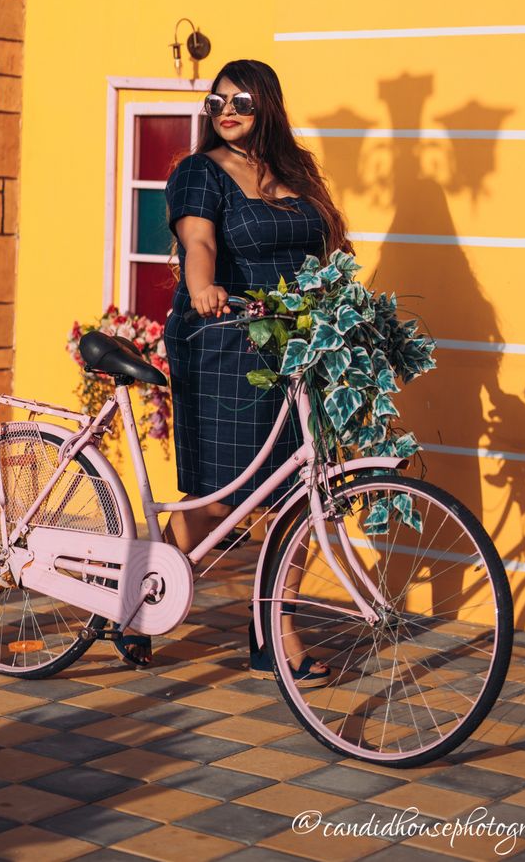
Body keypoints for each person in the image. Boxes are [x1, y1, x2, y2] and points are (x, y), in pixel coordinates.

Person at [114, 59, 351, 684]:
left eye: (240, 99)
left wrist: (346, 304)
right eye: (216, 102)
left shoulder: (297, 172)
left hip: (299, 345)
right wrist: (203, 290)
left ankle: (275, 631)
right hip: (225, 339)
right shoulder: (200, 172)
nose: (227, 110)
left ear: (266, 101)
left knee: (302, 493)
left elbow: (330, 247)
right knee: (223, 498)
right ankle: (139, 602)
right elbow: (201, 245)